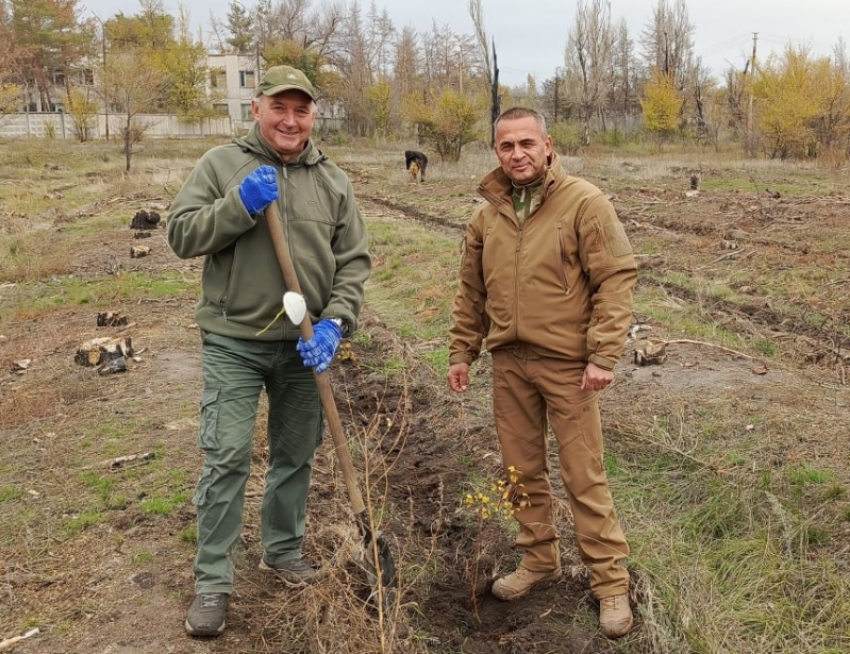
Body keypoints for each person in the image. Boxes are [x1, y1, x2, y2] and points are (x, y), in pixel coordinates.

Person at [167, 65, 371, 637]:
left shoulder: (332, 180)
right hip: (236, 340)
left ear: (312, 116)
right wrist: (240, 205)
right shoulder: (221, 165)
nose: (289, 120)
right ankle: (212, 580)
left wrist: (335, 322)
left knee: (294, 457)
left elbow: (354, 261)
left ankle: (282, 552)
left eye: (300, 110)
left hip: (305, 347)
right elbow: (181, 236)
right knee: (228, 454)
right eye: (278, 107)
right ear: (256, 109)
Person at [447, 107, 637, 639]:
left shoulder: (584, 202)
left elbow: (616, 278)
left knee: (583, 473)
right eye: (506, 146)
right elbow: (471, 292)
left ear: (548, 145)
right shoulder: (488, 215)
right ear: (496, 152)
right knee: (520, 470)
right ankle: (538, 560)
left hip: (568, 367)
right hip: (509, 363)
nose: (517, 154)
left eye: (526, 143)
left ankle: (609, 583)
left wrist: (603, 354)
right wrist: (463, 351)